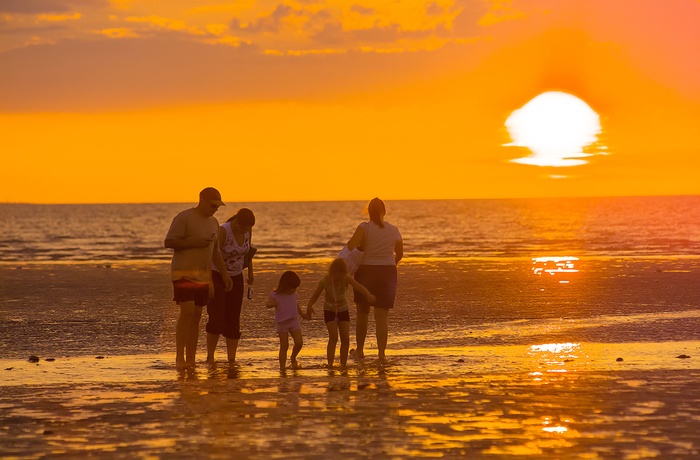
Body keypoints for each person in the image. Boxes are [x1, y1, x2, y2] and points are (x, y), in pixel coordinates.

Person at [164, 187, 233, 370]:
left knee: (196, 316)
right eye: (212, 205)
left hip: (203, 275)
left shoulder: (214, 223)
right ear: (201, 200)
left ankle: (191, 359)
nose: (215, 209)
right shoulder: (184, 217)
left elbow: (216, 252)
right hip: (182, 272)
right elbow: (169, 241)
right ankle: (180, 357)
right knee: (186, 312)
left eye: (217, 206)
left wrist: (224, 274)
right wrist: (193, 243)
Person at [347, 197, 403, 363]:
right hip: (387, 272)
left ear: (368, 211)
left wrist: (362, 247)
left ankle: (361, 351)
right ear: (384, 212)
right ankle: (381, 354)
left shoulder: (364, 228)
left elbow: (351, 246)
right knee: (381, 317)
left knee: (362, 314)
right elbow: (399, 254)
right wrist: (391, 264)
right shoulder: (394, 230)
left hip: (366, 271)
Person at [205, 208, 256, 364]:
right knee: (216, 316)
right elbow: (213, 253)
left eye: (248, 228)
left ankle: (231, 359)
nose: (246, 230)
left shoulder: (248, 229)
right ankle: (210, 357)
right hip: (217, 275)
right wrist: (221, 277)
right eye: (243, 227)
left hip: (236, 276)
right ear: (236, 222)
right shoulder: (223, 231)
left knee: (233, 318)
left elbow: (247, 251)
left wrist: (250, 271)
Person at [306, 258, 376, 370]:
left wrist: (368, 295)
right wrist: (309, 306)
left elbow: (359, 287)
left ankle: (343, 365)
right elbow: (315, 296)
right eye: (336, 277)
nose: (339, 280)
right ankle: (330, 364)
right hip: (329, 310)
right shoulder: (324, 281)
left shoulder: (346, 278)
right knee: (333, 337)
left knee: (345, 338)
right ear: (332, 273)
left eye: (341, 277)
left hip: (343, 310)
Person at [265, 271, 307, 371]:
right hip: (282, 323)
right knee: (284, 346)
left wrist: (302, 314)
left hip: (293, 321)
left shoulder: (293, 294)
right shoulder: (276, 294)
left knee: (299, 342)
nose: (294, 290)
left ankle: (293, 357)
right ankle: (282, 368)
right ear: (285, 286)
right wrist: (273, 304)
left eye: (295, 288)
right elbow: (268, 304)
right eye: (292, 288)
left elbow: (295, 305)